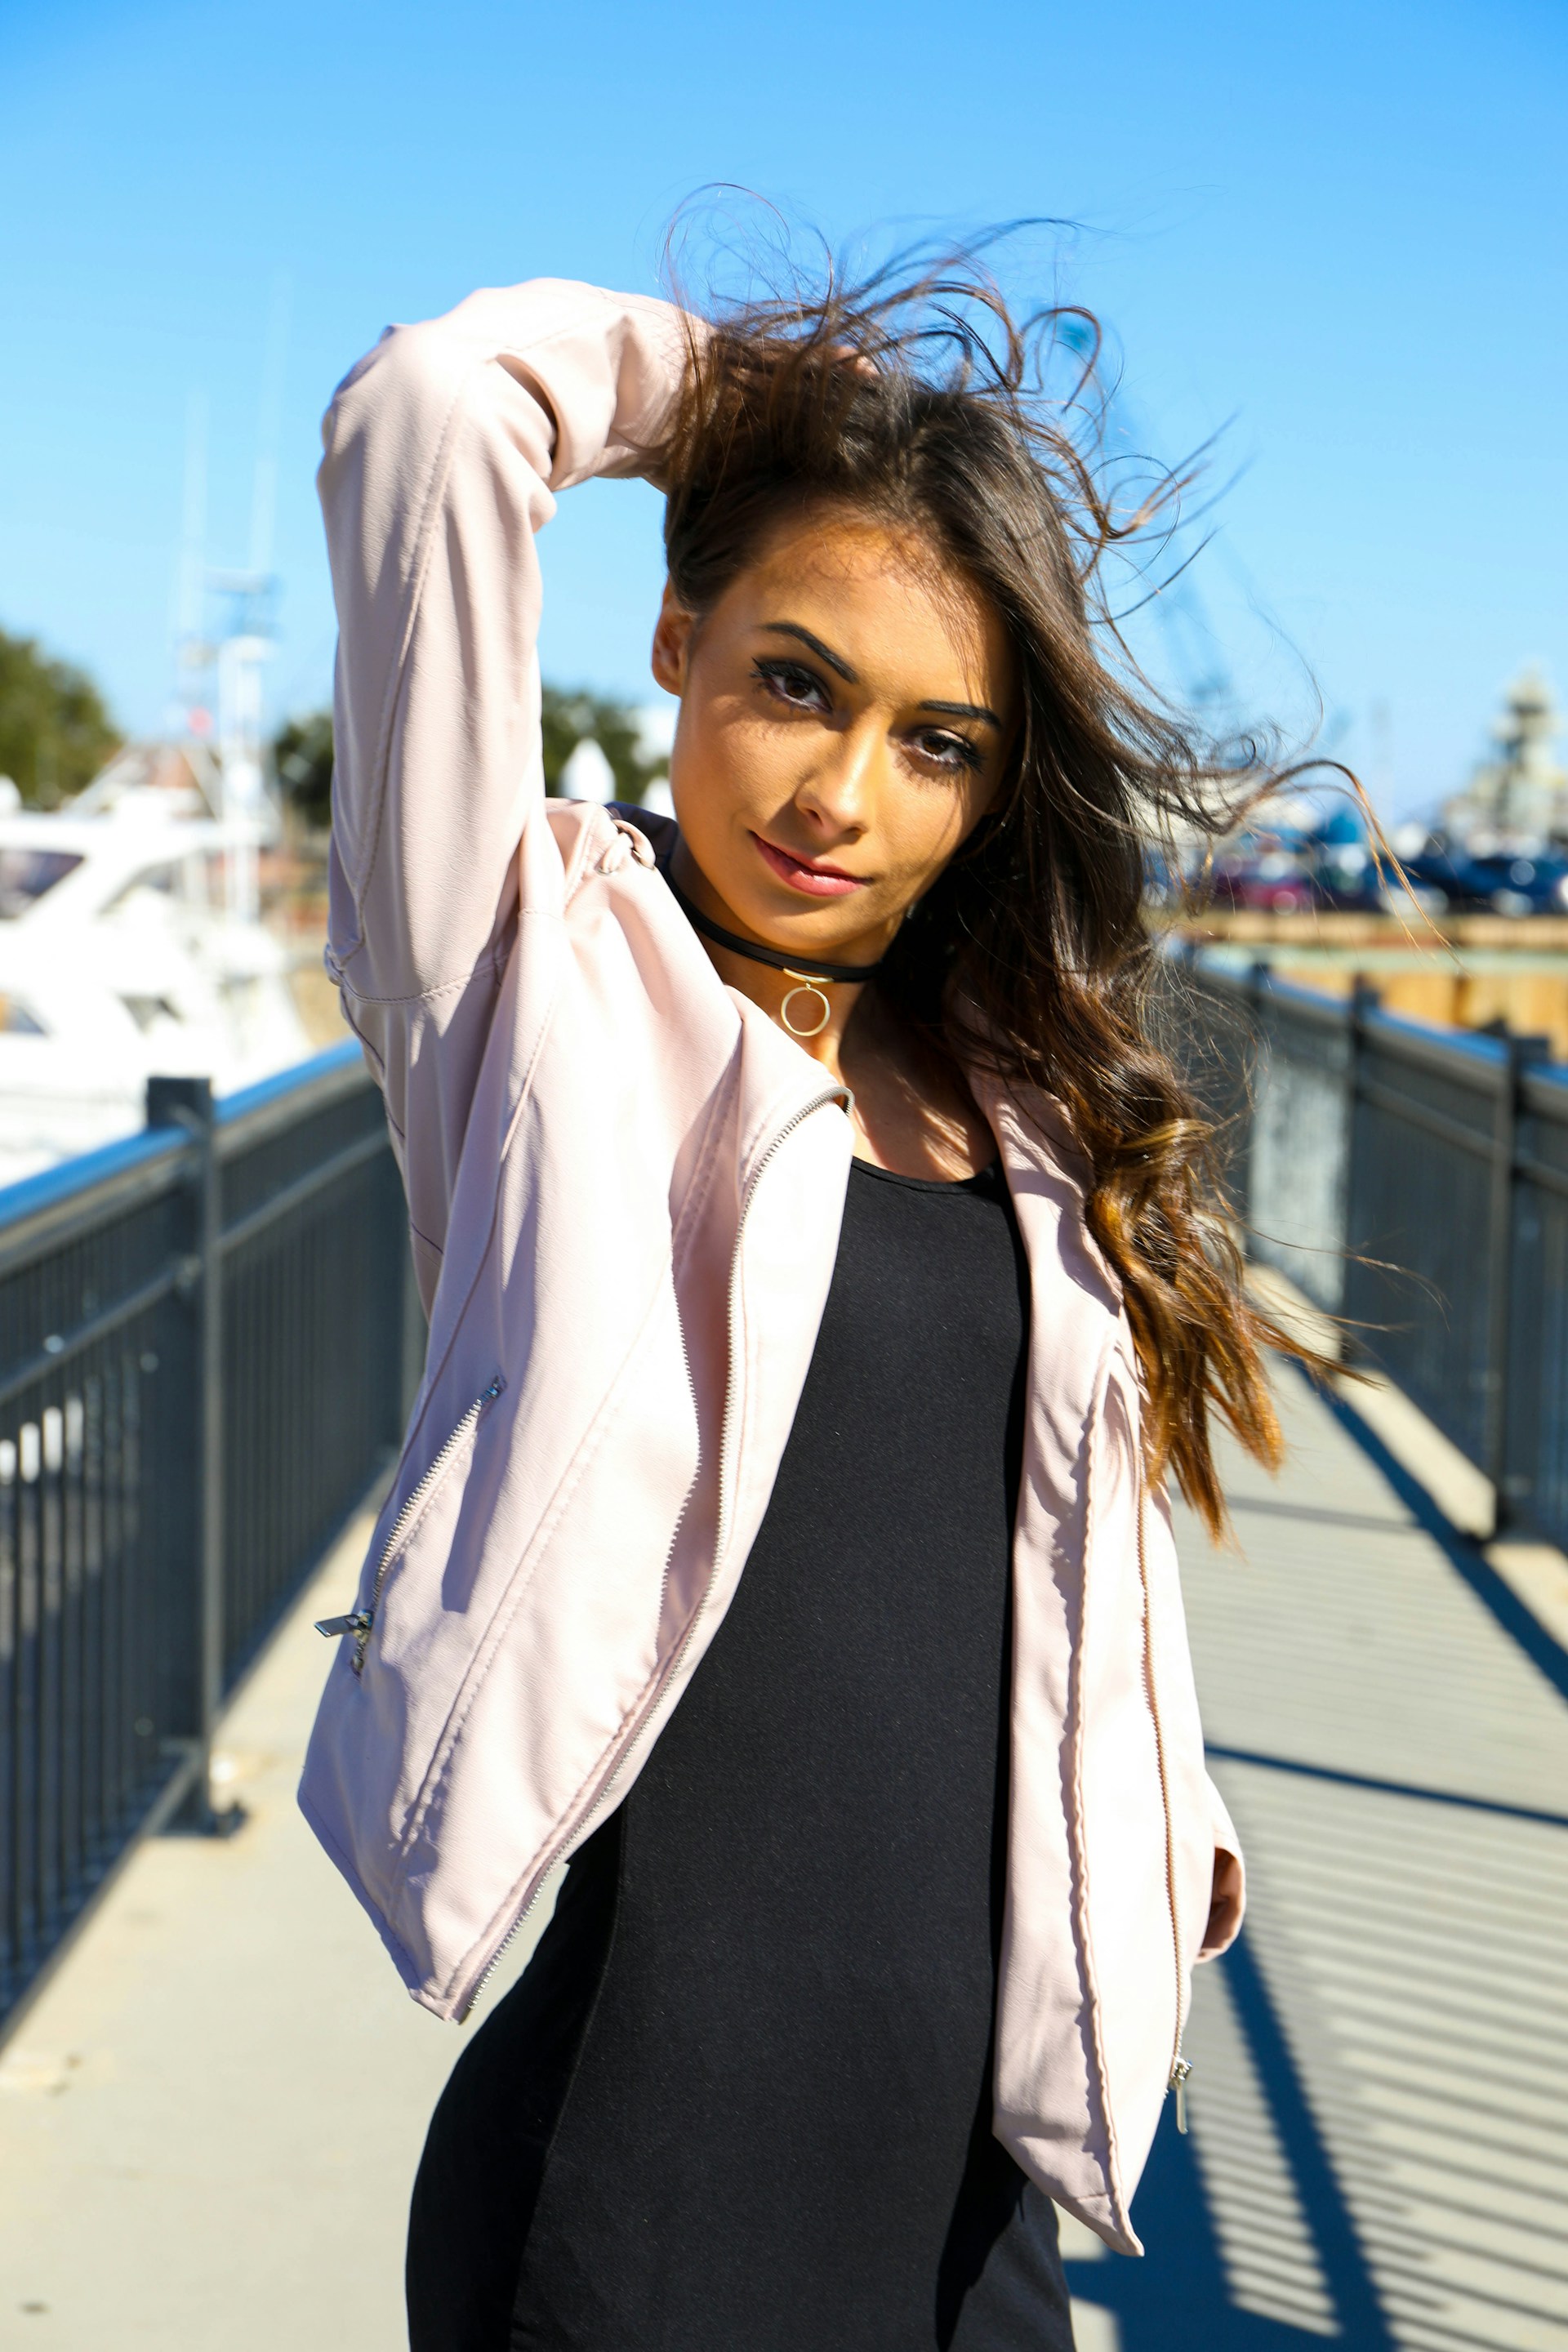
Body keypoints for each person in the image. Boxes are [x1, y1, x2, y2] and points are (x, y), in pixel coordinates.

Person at [301, 251, 1291, 2350]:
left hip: (968, 2196)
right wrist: (749, 398)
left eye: (937, 741)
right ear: (674, 641)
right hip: (638, 2181)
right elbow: (435, 411)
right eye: (792, 681)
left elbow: (1046, 1541)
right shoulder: (527, 977)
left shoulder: (1018, 1088)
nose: (846, 794)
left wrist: (1166, 1799)